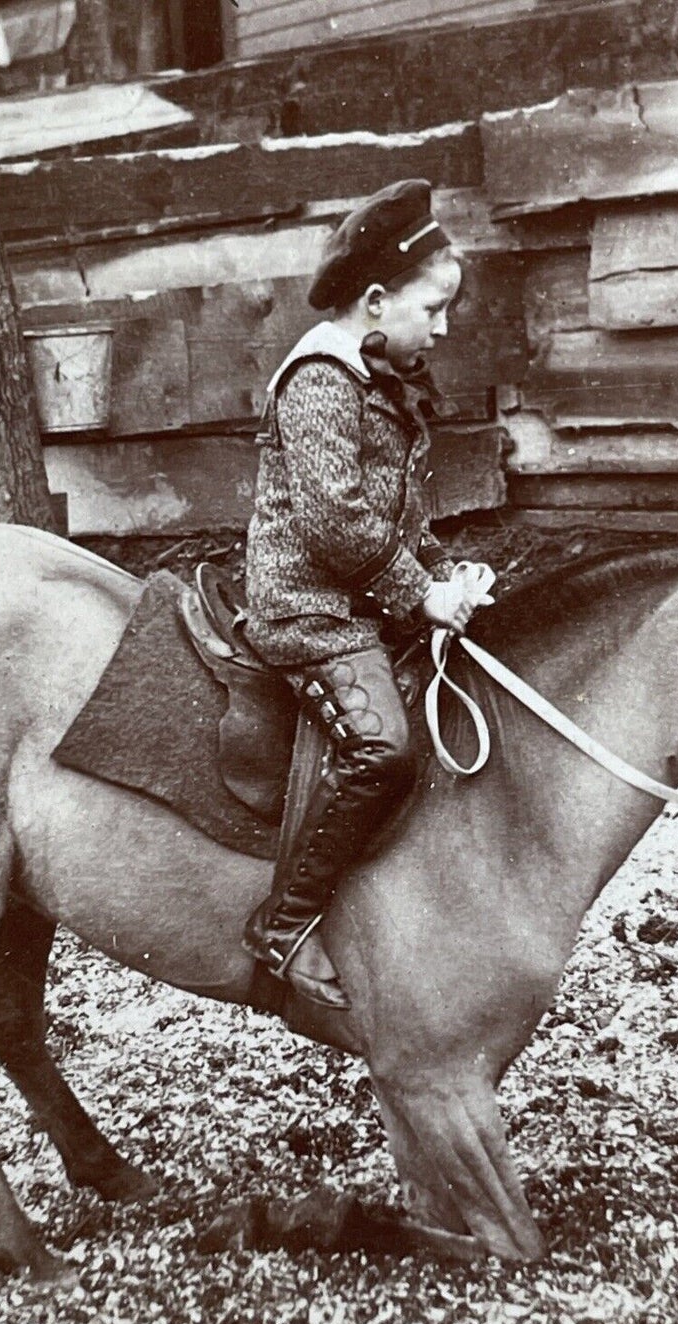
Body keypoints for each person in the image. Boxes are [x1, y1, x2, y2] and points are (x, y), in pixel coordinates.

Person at [241, 178, 494, 1010]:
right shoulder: (319, 378)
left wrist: (444, 570)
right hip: (308, 609)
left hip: (355, 596)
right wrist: (417, 596)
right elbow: (335, 525)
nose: (444, 325)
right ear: (378, 300)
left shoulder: (375, 377)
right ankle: (284, 923)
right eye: (433, 307)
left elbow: (395, 509)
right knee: (383, 747)